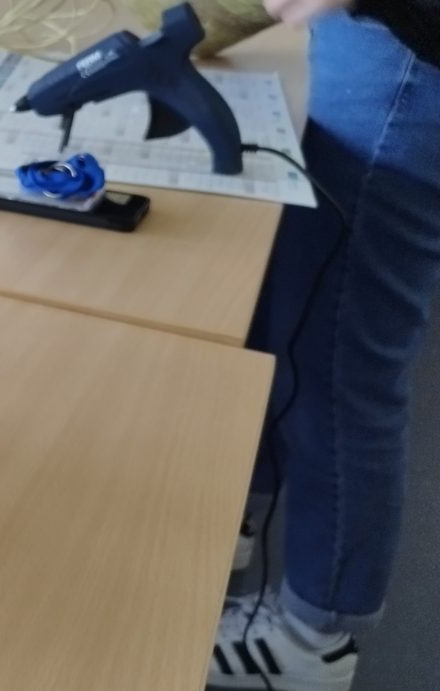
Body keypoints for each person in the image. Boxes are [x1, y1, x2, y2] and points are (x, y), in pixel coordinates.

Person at [207, 0, 440, 689]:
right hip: (369, 42)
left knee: (340, 357)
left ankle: (311, 640)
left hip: (410, 63)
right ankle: (233, 521)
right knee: (290, 308)